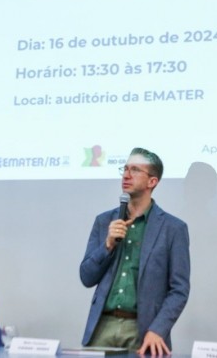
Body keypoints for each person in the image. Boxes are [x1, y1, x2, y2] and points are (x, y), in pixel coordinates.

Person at [80, 147, 190, 356]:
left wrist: (158, 330)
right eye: (125, 169)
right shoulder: (104, 221)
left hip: (143, 331)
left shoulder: (173, 229)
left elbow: (179, 289)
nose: (127, 175)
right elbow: (86, 277)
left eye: (135, 170)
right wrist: (108, 245)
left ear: (152, 182)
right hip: (102, 327)